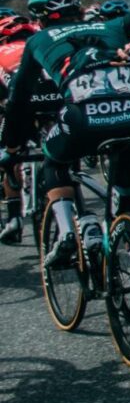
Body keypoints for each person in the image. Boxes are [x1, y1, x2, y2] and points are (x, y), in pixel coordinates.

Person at [0, 0, 130, 276]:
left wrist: (12, 147)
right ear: (78, 10)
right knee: (129, 204)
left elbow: (18, 102)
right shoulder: (112, 27)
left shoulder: (38, 40)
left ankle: (68, 231)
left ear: (40, 19)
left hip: (82, 119)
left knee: (54, 160)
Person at [0, 13, 38, 242]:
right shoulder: (40, 45)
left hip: (17, 107)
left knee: (9, 154)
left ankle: (14, 218)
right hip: (53, 105)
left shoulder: (2, 52)